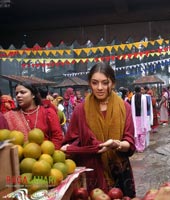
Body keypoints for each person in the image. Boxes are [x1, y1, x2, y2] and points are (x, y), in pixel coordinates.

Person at [60, 62, 136, 197]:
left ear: (112, 83)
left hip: (119, 172)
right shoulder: (80, 110)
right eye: (95, 83)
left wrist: (115, 144)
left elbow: (129, 143)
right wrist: (74, 148)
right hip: (91, 173)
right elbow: (71, 142)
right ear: (90, 83)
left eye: (105, 83)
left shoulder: (124, 107)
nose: (99, 88)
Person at [3, 82, 63, 149]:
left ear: (33, 95)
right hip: (18, 157)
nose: (18, 96)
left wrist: (49, 154)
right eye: (16, 93)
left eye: (22, 92)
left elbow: (57, 137)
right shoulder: (10, 116)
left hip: (46, 156)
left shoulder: (48, 113)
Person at [131, 86, 149, 152]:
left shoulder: (132, 97)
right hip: (142, 117)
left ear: (135, 91)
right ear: (140, 90)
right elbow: (147, 107)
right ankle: (141, 147)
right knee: (142, 133)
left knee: (136, 133)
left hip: (135, 117)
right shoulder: (143, 97)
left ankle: (137, 147)